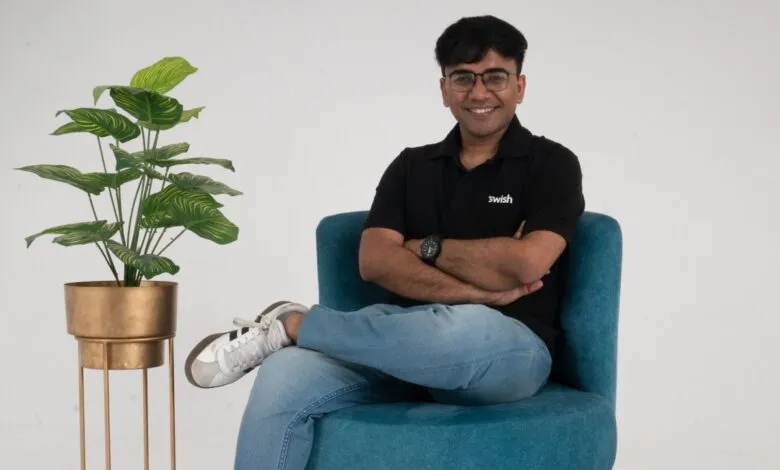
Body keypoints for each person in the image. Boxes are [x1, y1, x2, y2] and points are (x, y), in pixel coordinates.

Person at [184, 14, 585, 470]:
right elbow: (375, 261)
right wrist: (485, 287)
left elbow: (528, 263)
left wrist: (422, 248)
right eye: (463, 78)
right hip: (397, 343)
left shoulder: (551, 163)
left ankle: (296, 326)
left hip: (507, 351)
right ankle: (290, 340)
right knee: (282, 373)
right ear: (444, 89)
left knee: (458, 326)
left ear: (520, 86)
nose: (478, 93)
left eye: (495, 77)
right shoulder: (411, 167)